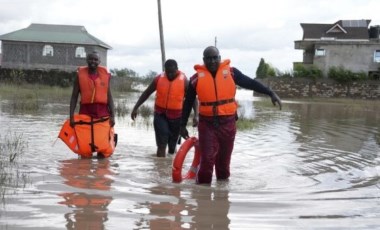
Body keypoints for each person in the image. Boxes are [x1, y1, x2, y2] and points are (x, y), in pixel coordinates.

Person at [180, 46, 282, 184]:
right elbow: (188, 103)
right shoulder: (196, 79)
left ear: (219, 58)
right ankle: (202, 196)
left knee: (223, 163)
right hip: (207, 124)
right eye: (208, 58)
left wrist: (270, 93)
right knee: (207, 160)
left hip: (228, 123)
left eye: (215, 58)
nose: (212, 61)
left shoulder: (232, 73)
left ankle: (222, 195)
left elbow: (251, 83)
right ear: (204, 60)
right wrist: (182, 125)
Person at [131, 59, 198, 157]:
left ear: (177, 69)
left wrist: (196, 115)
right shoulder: (158, 79)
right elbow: (147, 92)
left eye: (172, 72)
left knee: (172, 146)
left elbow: (193, 100)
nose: (170, 74)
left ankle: (168, 168)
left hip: (177, 118)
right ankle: (159, 170)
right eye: (168, 72)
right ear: (164, 70)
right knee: (162, 144)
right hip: (160, 115)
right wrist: (135, 107)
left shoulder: (184, 81)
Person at [69, 51, 115, 158]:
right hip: (85, 114)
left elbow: (109, 97)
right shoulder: (79, 76)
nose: (93, 61)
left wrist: (113, 115)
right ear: (87, 60)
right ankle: (84, 172)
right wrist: (71, 116)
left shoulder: (105, 76)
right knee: (85, 151)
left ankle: (100, 172)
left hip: (103, 115)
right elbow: (74, 97)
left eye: (95, 59)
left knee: (102, 150)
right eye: (90, 59)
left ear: (99, 61)